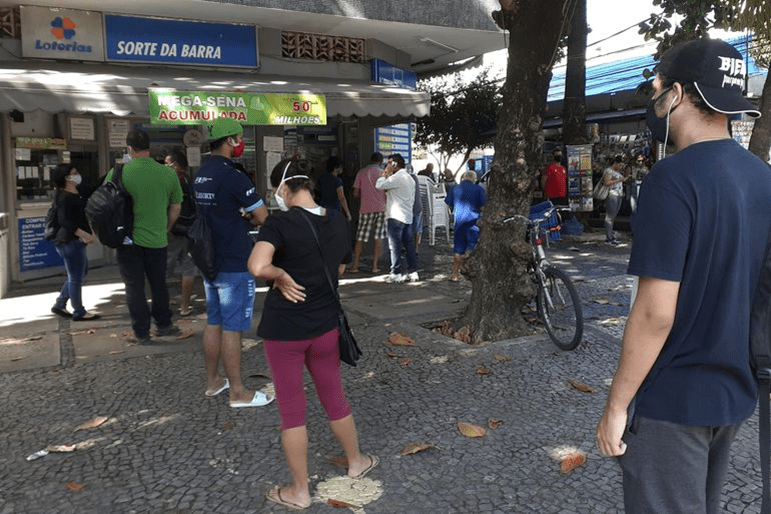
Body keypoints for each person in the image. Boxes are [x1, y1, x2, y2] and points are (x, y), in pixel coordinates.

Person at [595, 38, 771, 514]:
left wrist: (616, 405)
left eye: (657, 90)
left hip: (672, 399)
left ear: (676, 94)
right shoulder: (763, 178)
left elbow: (655, 314)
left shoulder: (671, 179)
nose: (654, 101)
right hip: (733, 393)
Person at [248, 158, 378, 511]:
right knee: (334, 396)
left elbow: (258, 266)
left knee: (292, 411)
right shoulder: (336, 219)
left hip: (284, 331)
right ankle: (356, 462)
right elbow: (340, 267)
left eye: (276, 190)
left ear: (284, 188)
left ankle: (300, 491)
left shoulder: (279, 223)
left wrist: (280, 275)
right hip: (324, 326)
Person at [193, 117, 272, 408]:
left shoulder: (200, 174)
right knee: (232, 327)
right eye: (239, 138)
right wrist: (249, 215)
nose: (241, 143)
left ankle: (214, 381)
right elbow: (262, 216)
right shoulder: (234, 176)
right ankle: (238, 392)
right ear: (230, 141)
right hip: (234, 260)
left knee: (214, 321)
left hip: (209, 258)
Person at [107, 130, 183, 344]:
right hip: (158, 239)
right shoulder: (167, 173)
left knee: (134, 287)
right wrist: (166, 227)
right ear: (149, 148)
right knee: (159, 284)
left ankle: (141, 333)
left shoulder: (118, 172)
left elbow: (105, 204)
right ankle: (164, 325)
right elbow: (176, 207)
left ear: (129, 149)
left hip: (127, 240)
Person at [49, 164, 99, 321]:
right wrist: (84, 234)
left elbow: (94, 186)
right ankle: (79, 311)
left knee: (79, 273)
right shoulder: (64, 197)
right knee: (76, 277)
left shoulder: (77, 191)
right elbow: (64, 221)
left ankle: (60, 304)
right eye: (74, 173)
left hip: (72, 241)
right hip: (69, 242)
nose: (78, 175)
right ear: (67, 178)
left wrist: (115, 170)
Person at [375, 153, 419, 283]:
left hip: (395, 216)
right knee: (409, 245)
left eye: (389, 163)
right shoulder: (409, 178)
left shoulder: (397, 178)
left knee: (395, 245)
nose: (387, 165)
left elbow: (379, 185)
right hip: (407, 216)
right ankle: (413, 271)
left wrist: (385, 173)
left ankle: (396, 273)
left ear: (395, 164)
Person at [164, 149, 197, 317]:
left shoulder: (174, 182)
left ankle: (163, 304)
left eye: (167, 163)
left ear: (175, 165)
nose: (165, 166)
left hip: (175, 231)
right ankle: (185, 306)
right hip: (190, 231)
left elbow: (174, 208)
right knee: (188, 269)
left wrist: (167, 228)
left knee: (164, 269)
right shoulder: (191, 180)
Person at [445, 170, 487, 282]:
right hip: (473, 223)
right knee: (472, 248)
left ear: (463, 178)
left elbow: (449, 204)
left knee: (458, 249)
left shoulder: (455, 188)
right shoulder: (479, 189)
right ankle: (472, 272)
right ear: (474, 179)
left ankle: (455, 275)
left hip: (459, 223)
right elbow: (483, 207)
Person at [350, 152, 386, 274]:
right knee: (378, 237)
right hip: (381, 208)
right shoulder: (383, 173)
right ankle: (375, 266)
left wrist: (365, 196)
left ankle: (355, 265)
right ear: (380, 161)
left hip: (365, 208)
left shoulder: (361, 172)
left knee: (360, 237)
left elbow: (355, 193)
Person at [317, 156, 352, 222]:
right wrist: (347, 213)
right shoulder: (337, 181)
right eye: (340, 166)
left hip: (323, 208)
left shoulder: (322, 179)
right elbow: (341, 197)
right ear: (335, 167)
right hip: (334, 209)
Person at [602, 155, 625, 245]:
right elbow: (607, 182)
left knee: (613, 216)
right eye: (619, 165)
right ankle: (609, 237)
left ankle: (611, 235)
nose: (620, 167)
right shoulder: (608, 171)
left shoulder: (617, 172)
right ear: (615, 163)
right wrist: (618, 180)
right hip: (612, 194)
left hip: (619, 194)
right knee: (610, 217)